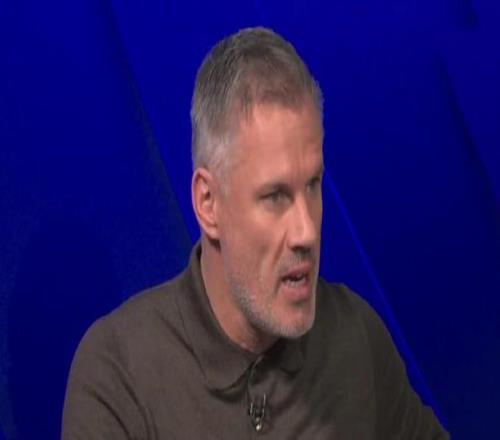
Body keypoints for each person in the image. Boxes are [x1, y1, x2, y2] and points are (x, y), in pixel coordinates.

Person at [62, 27, 449, 439]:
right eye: (275, 196)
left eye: (312, 185)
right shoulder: (119, 374)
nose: (306, 231)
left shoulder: (356, 339)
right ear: (208, 203)